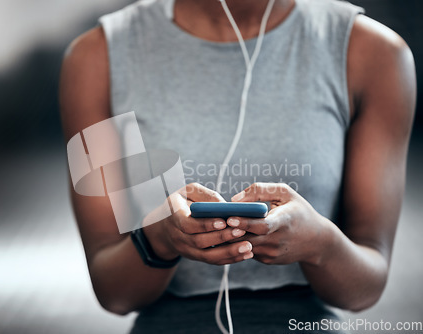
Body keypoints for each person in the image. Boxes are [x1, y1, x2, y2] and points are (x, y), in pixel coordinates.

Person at [59, 0, 416, 332]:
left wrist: (320, 244)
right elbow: (114, 292)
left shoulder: (372, 54)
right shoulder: (96, 59)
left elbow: (365, 288)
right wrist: (158, 240)